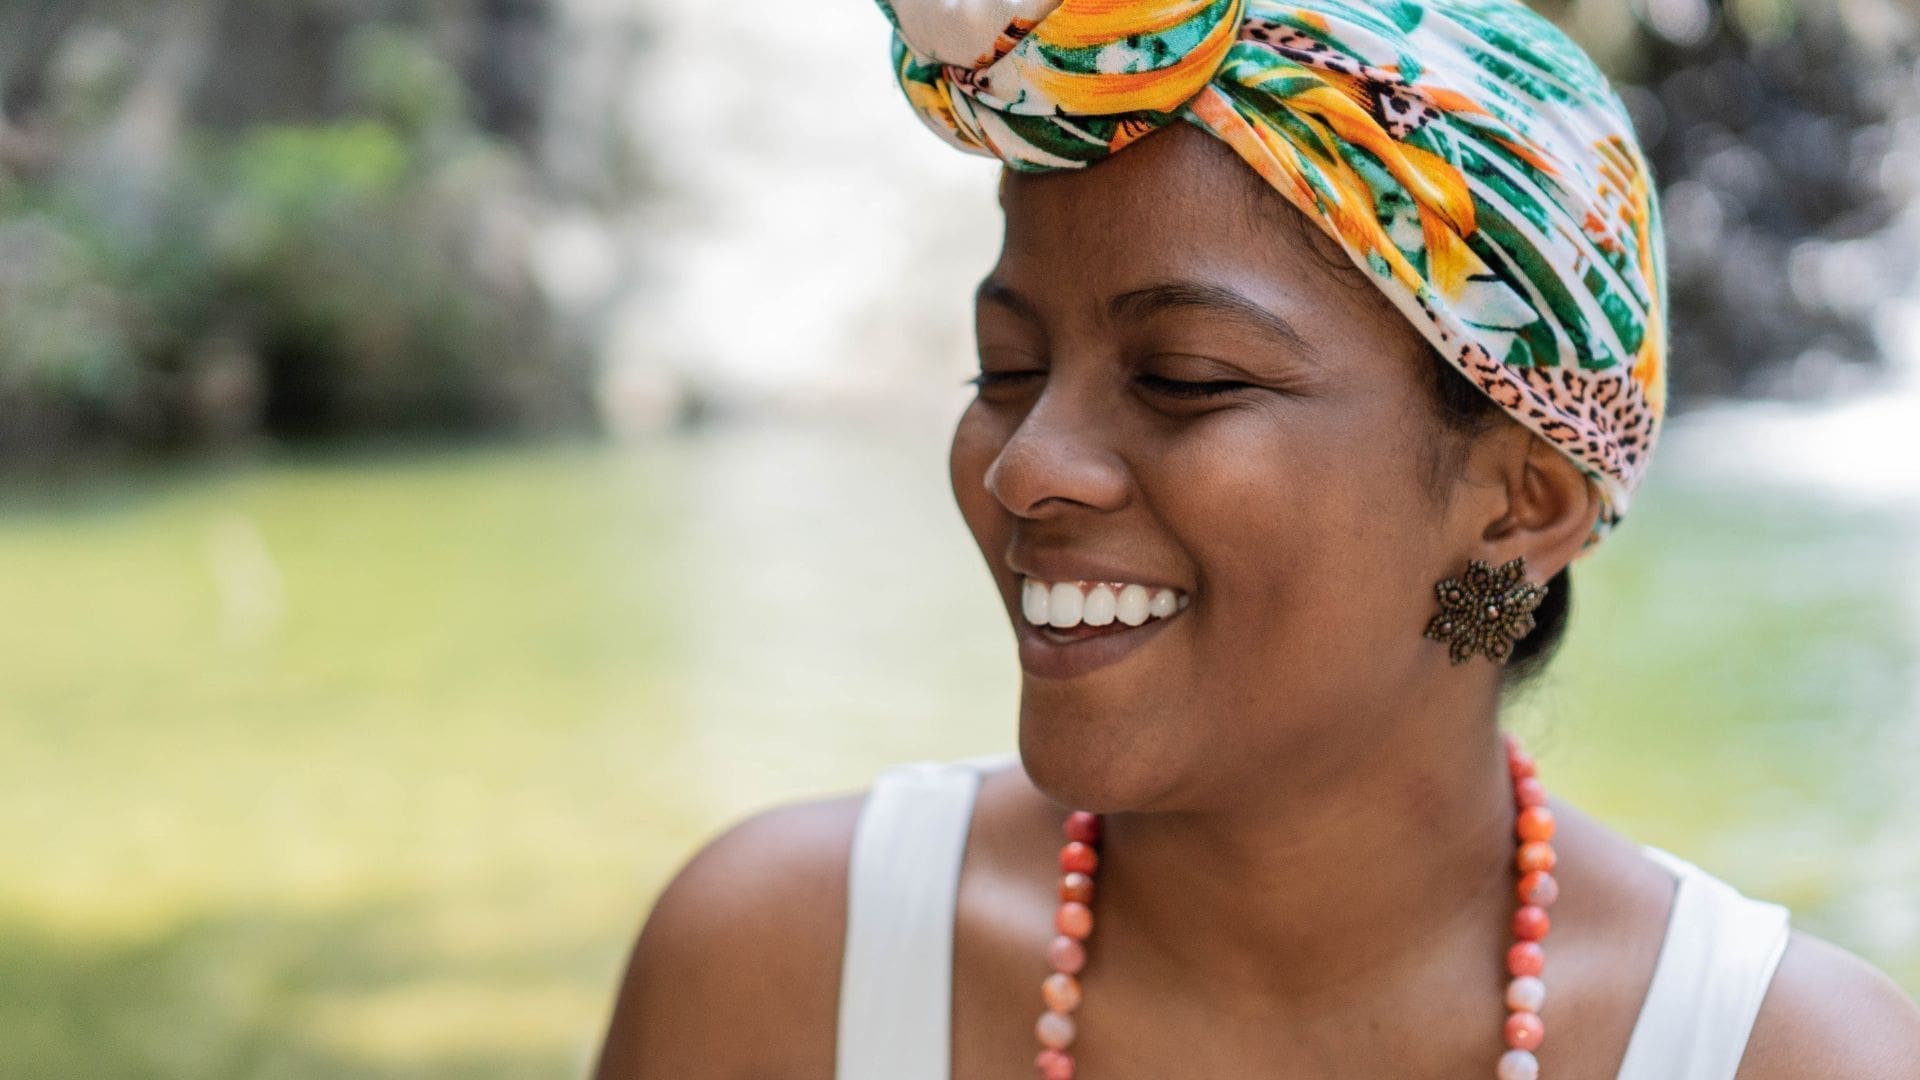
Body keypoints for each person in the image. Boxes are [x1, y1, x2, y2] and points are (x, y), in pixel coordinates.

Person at [593, 1, 1920, 1076]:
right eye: (1004, 367)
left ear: (1523, 503)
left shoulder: (1784, 1054)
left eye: (1185, 377)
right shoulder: (780, 973)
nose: (1026, 461)